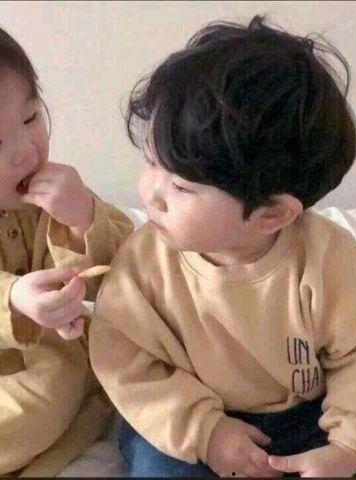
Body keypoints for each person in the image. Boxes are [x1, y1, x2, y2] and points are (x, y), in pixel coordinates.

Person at [90, 16, 356, 477]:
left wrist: (350, 446)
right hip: (197, 411)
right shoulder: (145, 265)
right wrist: (206, 433)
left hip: (313, 413)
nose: (151, 193)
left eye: (181, 187)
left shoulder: (329, 264)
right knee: (156, 462)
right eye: (151, 163)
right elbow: (126, 358)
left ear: (272, 214)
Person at [0, 26, 133, 476]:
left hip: (44, 362)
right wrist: (13, 298)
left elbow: (128, 263)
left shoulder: (58, 196)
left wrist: (82, 219)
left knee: (46, 397)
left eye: (30, 117)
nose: (25, 151)